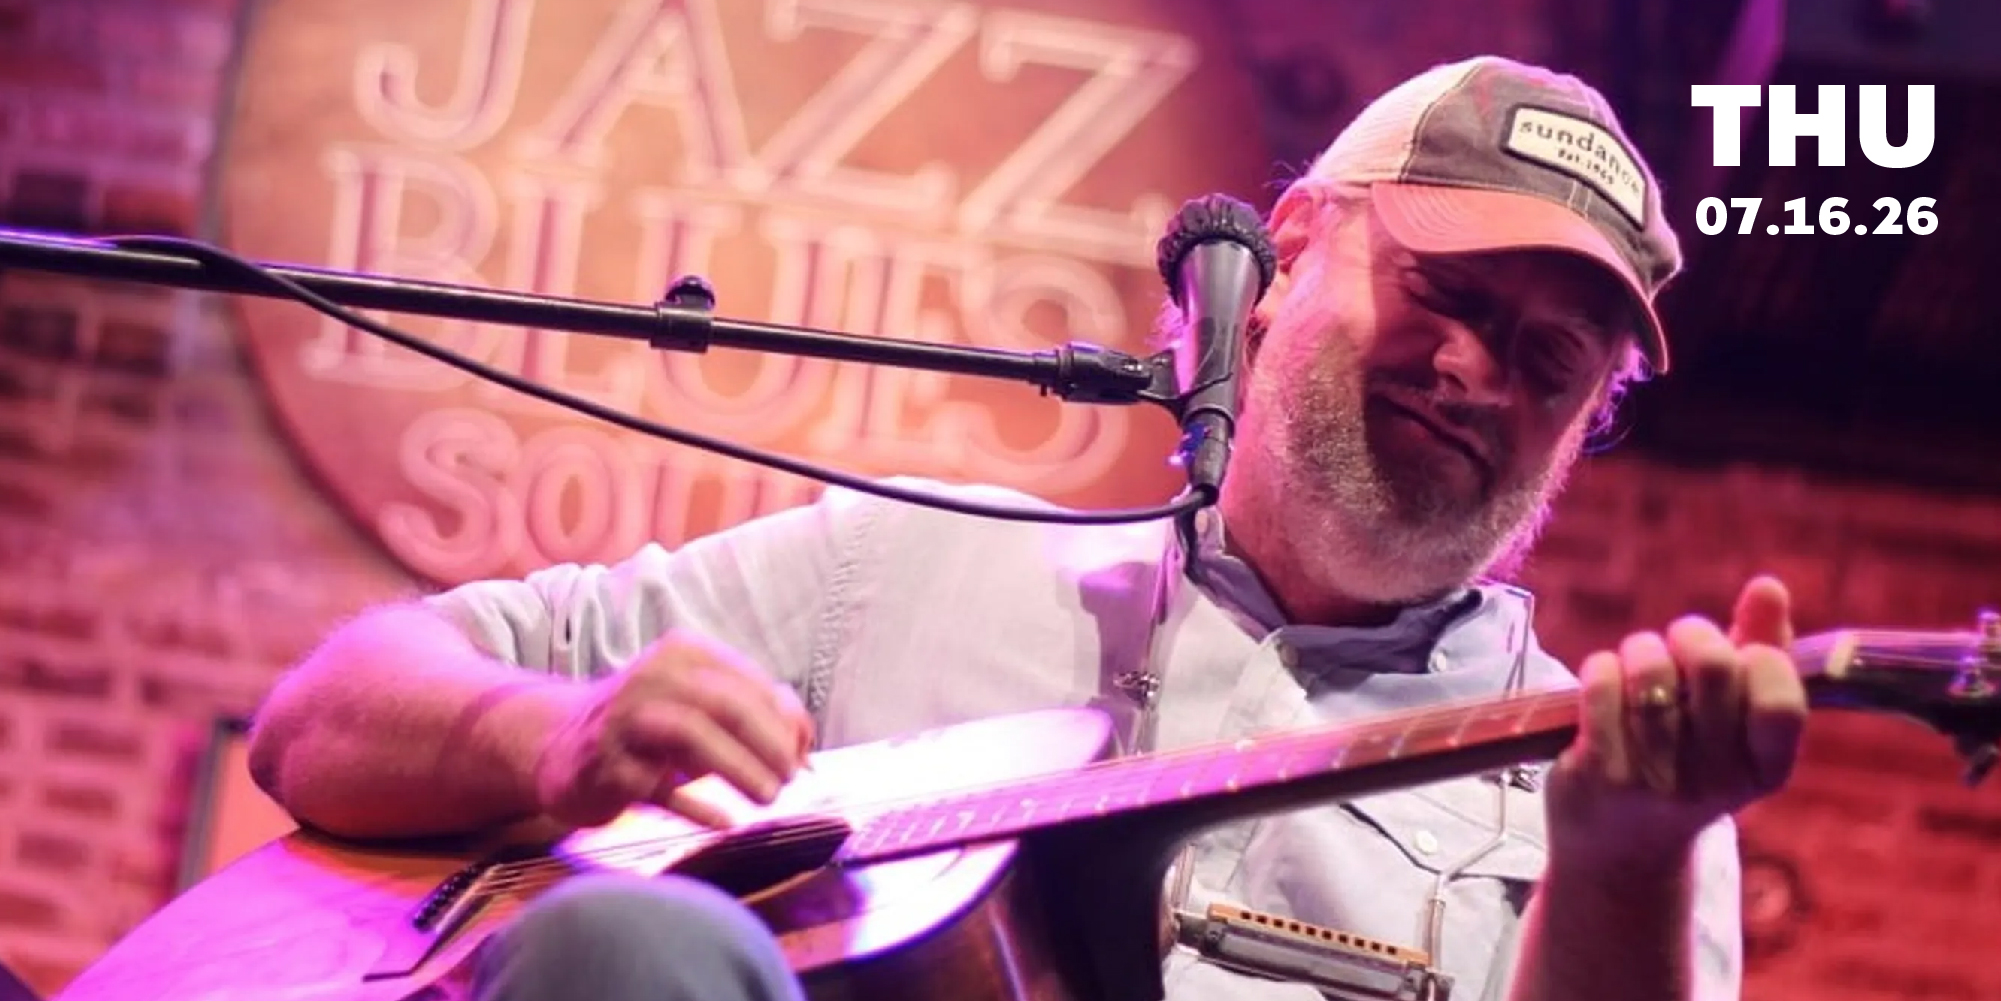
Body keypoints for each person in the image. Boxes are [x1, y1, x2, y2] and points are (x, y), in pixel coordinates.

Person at [246, 55, 1807, 1001]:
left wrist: (1623, 857)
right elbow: (324, 715)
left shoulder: (1604, 780)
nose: (1476, 372)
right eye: (1444, 292)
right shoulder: (911, 561)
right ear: (1286, 256)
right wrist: (553, 738)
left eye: (1551, 361)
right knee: (621, 948)